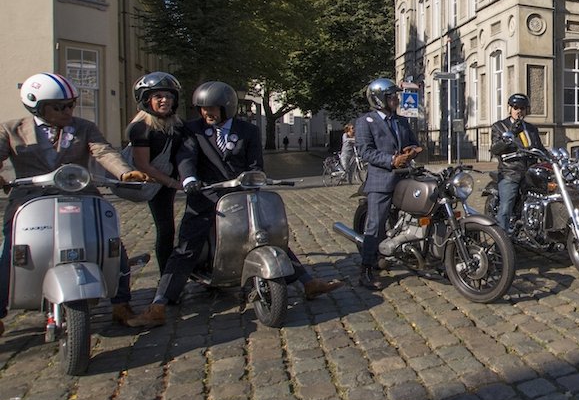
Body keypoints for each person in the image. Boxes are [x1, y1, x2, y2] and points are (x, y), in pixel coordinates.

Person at [126, 81, 342, 326]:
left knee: (268, 236)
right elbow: (186, 156)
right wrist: (189, 179)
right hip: (205, 195)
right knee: (186, 247)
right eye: (202, 108)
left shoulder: (247, 130)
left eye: (212, 108)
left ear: (227, 107)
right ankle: (159, 304)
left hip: (240, 195)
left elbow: (255, 163)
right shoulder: (192, 130)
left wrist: (254, 177)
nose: (207, 113)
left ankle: (308, 283)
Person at [0, 72, 151, 334]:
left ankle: (121, 304)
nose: (68, 111)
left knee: (111, 243)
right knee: (12, 253)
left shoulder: (84, 127)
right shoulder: (11, 129)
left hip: (80, 196)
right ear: (37, 107)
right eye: (59, 107)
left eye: (71, 105)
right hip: (30, 200)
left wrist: (124, 173)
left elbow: (102, 151)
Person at [353, 78, 422, 290]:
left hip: (404, 177)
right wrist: (392, 160)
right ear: (379, 99)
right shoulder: (365, 122)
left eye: (396, 96)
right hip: (381, 180)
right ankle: (365, 270)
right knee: (375, 224)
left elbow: (414, 143)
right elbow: (366, 151)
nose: (396, 100)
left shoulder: (401, 121)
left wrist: (413, 151)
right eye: (392, 97)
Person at [126, 72, 187, 274]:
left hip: (171, 180)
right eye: (158, 96)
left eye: (169, 96)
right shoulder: (141, 128)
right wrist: (172, 183)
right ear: (146, 100)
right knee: (166, 228)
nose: (165, 100)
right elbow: (143, 165)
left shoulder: (177, 126)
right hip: (154, 183)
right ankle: (166, 275)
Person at [489, 93, 545, 234]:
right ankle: (500, 240)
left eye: (522, 108)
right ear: (509, 108)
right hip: (511, 172)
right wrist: (512, 133)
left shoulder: (531, 128)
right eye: (516, 107)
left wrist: (552, 158)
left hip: (531, 172)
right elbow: (495, 149)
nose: (519, 111)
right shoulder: (500, 127)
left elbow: (540, 148)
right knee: (506, 207)